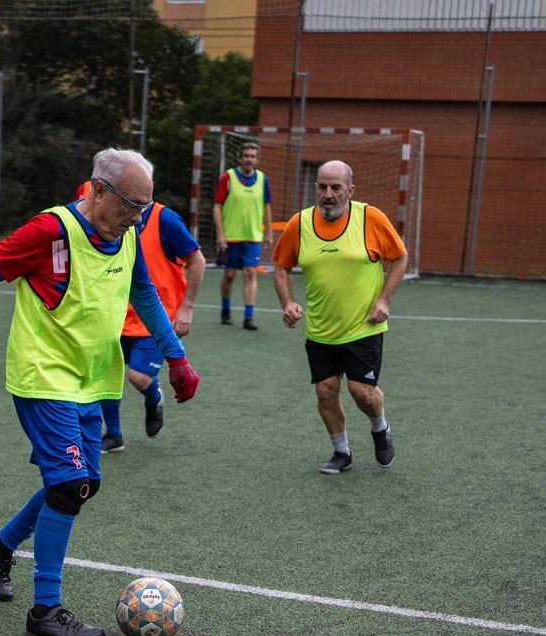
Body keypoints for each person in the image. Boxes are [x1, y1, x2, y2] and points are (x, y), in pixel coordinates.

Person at [0, 148, 201, 636]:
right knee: (68, 487)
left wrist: (177, 357)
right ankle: (46, 609)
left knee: (85, 483)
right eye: (130, 204)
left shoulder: (126, 237)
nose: (136, 217)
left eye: (144, 208)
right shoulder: (50, 232)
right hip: (43, 378)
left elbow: (143, 294)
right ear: (97, 189)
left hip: (92, 381)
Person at [273, 160, 407, 475]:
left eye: (336, 187)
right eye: (322, 187)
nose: (328, 194)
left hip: (364, 327)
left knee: (362, 392)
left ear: (350, 190)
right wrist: (288, 302)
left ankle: (380, 427)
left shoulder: (370, 218)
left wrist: (384, 300)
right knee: (325, 391)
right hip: (321, 331)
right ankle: (341, 451)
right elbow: (280, 266)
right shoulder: (300, 223)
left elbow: (399, 257)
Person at [74, 180, 206, 452]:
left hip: (155, 318)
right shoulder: (99, 219)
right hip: (114, 316)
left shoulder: (164, 219)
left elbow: (197, 259)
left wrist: (187, 307)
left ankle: (153, 396)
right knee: (105, 379)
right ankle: (114, 435)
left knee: (138, 377)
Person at [212, 142, 272, 330]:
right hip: (231, 236)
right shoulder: (228, 177)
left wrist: (269, 232)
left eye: (253, 156)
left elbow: (267, 207)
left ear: (257, 159)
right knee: (229, 275)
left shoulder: (263, 179)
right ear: (240, 157)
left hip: (253, 236)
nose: (249, 159)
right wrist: (220, 233)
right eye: (246, 155)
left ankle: (248, 317)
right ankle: (226, 309)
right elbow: (217, 205)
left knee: (250, 273)